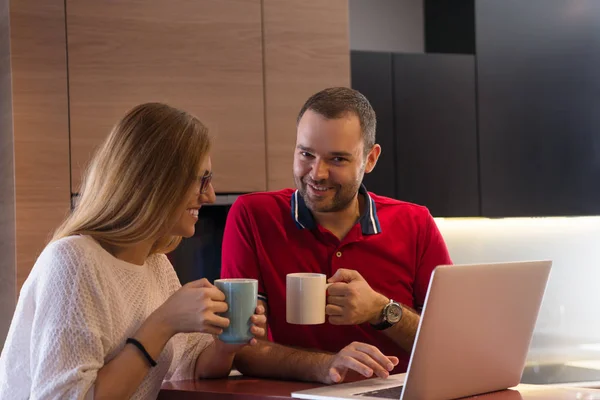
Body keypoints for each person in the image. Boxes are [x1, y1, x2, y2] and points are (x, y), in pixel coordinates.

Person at [0, 103, 266, 399]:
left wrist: (226, 345)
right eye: (201, 179)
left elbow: (190, 367)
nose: (209, 194)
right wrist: (164, 322)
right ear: (155, 181)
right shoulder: (73, 262)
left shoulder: (156, 266)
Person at [220, 87, 452, 384]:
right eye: (306, 154)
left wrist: (381, 310)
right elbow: (241, 347)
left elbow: (448, 346)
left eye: (338, 160)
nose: (317, 173)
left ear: (370, 159)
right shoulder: (253, 216)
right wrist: (325, 366)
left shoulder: (415, 222)